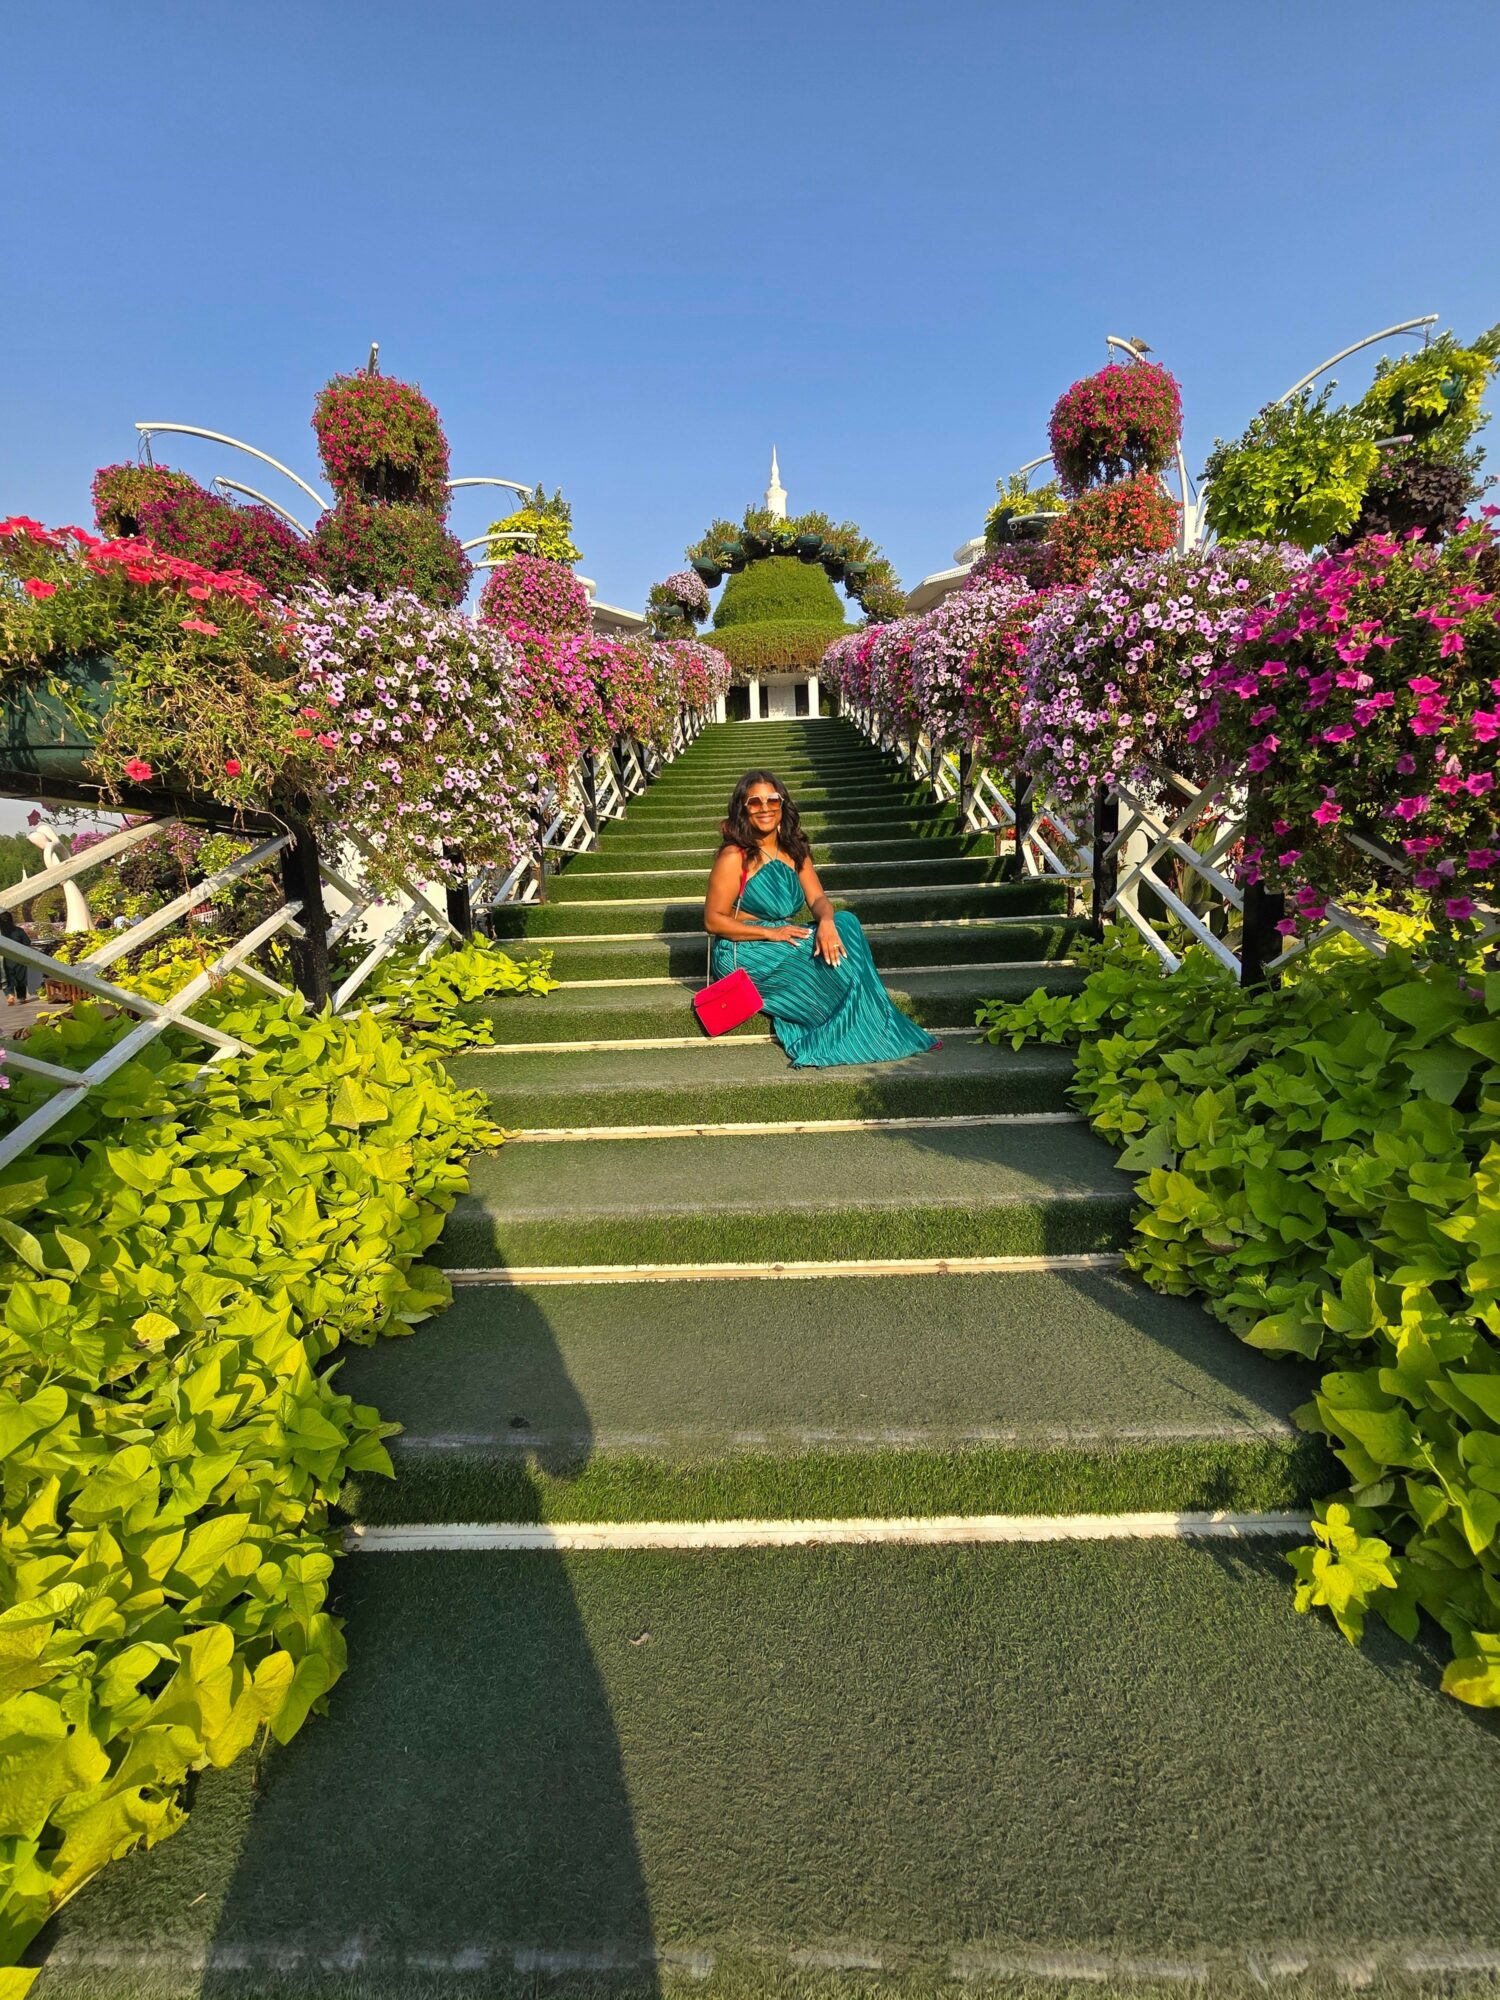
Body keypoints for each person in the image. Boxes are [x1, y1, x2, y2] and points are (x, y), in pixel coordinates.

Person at [702, 769, 938, 1068]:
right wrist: (770, 934)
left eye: (772, 800)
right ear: (742, 808)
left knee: (846, 923)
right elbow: (713, 921)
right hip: (744, 947)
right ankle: (854, 1026)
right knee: (809, 948)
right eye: (755, 802)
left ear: (783, 804)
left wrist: (826, 923)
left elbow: (817, 899)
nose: (765, 808)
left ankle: (863, 1021)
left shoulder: (794, 850)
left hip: (782, 935)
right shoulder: (734, 856)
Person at [0, 911, 30, 1006]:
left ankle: (9, 994)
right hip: (19, 958)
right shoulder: (18, 930)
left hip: (7, 958)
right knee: (20, 977)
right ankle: (21, 997)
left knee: (8, 977)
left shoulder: (1, 932)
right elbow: (27, 942)